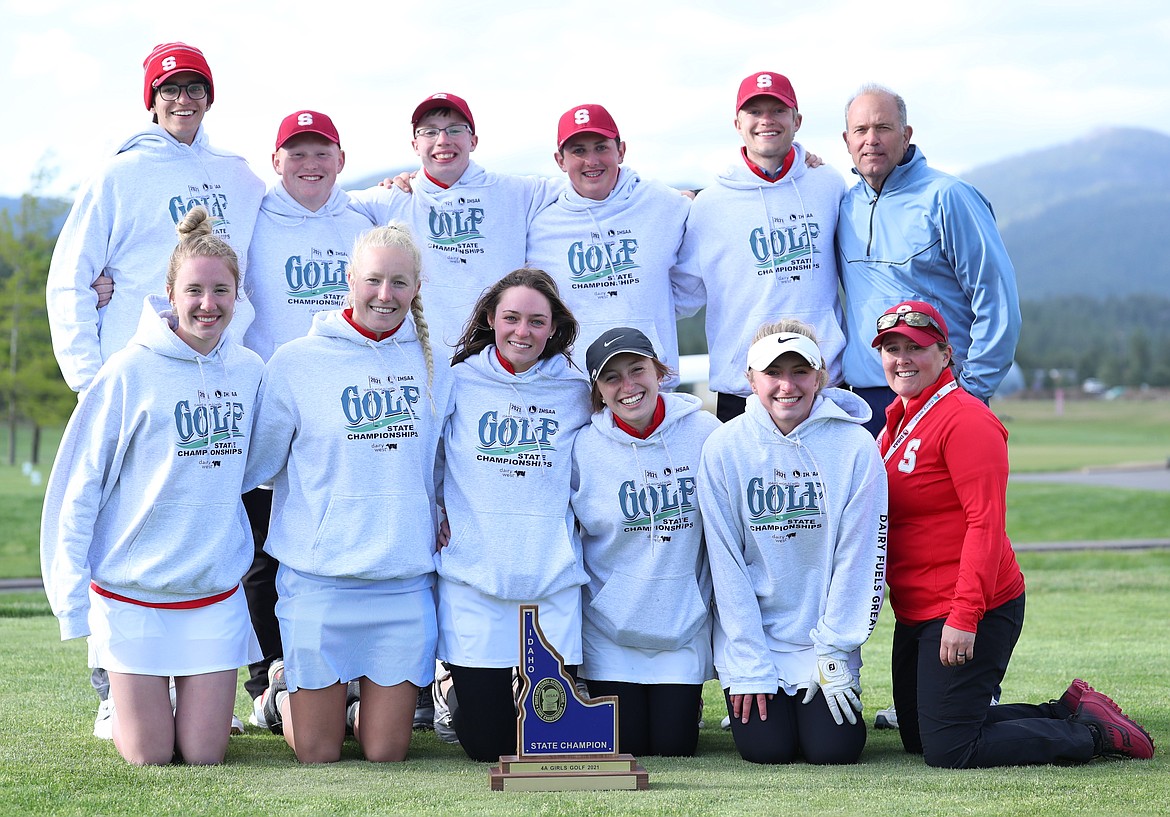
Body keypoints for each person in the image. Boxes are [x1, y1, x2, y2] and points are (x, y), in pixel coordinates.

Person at [872, 299, 1154, 766]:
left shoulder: (966, 419)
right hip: (919, 609)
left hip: (972, 605)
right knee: (921, 734)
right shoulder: (899, 419)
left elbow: (985, 524)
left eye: (916, 347)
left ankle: (1095, 737)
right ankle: (1063, 712)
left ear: (945, 354)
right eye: (892, 347)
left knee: (952, 748)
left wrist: (964, 617)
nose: (902, 358)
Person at [40, 207, 264, 765]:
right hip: (131, 594)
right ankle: (123, 697)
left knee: (204, 754)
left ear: (239, 295)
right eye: (194, 290)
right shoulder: (126, 372)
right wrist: (72, 603)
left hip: (211, 591)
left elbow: (262, 463)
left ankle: (170, 703)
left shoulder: (251, 371)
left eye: (221, 291)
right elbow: (77, 488)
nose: (208, 304)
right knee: (149, 758)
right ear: (169, 291)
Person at [244, 223, 451, 764]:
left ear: (417, 287)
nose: (386, 295)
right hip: (319, 581)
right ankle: (282, 694)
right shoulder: (295, 362)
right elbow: (256, 467)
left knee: (385, 752)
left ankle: (353, 711)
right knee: (318, 752)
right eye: (374, 280)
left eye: (399, 283)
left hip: (402, 582)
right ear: (349, 279)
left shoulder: (436, 365)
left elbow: (444, 464)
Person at [237, 109, 377, 729]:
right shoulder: (253, 218)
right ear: (276, 161)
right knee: (265, 549)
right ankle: (271, 675)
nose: (310, 163)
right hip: (271, 405)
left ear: (342, 160)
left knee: (341, 536)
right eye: (296, 152)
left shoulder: (363, 219)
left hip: (347, 413)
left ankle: (347, 674)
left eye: (322, 151)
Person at [697, 319, 887, 765]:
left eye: (800, 371)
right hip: (754, 639)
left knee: (833, 750)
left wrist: (836, 651)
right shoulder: (724, 447)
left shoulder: (856, 446)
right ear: (750, 379)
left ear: (820, 376)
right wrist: (749, 663)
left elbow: (860, 559)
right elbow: (725, 564)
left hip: (823, 641)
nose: (787, 385)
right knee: (767, 749)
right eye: (772, 373)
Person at [434, 268, 591, 762]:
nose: (523, 332)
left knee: (545, 740)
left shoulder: (576, 391)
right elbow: (427, 457)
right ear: (490, 318)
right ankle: (449, 688)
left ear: (554, 327)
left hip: (550, 579)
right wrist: (435, 508)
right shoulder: (457, 380)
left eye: (536, 321)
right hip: (474, 577)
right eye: (511, 318)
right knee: (488, 745)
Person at [47, 41, 264, 395]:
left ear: (209, 98)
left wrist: (385, 193)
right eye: (170, 88)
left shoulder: (241, 178)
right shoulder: (116, 176)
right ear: (152, 99)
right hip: (137, 372)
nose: (184, 99)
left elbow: (292, 215)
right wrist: (88, 381)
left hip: (223, 371)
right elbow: (69, 281)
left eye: (196, 87)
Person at [569, 328, 720, 756]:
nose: (628, 386)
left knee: (675, 747)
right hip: (610, 630)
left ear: (660, 371)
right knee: (626, 746)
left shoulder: (705, 433)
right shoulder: (583, 447)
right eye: (611, 378)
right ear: (598, 391)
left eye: (638, 370)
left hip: (683, 625)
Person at [837, 84, 1021, 436]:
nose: (871, 140)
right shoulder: (843, 207)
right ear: (847, 140)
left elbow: (997, 299)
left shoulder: (949, 197)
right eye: (861, 130)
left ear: (906, 135)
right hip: (865, 402)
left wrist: (970, 392)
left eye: (883, 128)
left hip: (941, 395)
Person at [676, 71, 847, 422]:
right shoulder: (709, 206)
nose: (766, 121)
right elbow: (680, 295)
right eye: (755, 112)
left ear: (797, 120)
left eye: (778, 110)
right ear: (737, 122)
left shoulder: (828, 184)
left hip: (823, 382)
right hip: (743, 391)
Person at [348, 93, 562, 357]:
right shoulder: (392, 198)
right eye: (430, 132)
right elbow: (328, 203)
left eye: (454, 130)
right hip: (421, 359)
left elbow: (583, 184)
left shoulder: (517, 191)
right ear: (415, 144)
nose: (442, 140)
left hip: (498, 361)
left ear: (473, 140)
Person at [525, 105, 699, 389]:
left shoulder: (663, 203)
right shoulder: (541, 225)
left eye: (601, 147)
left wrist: (654, 309)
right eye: (578, 151)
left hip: (651, 386)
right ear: (560, 160)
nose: (591, 160)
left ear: (621, 151)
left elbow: (694, 281)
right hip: (572, 387)